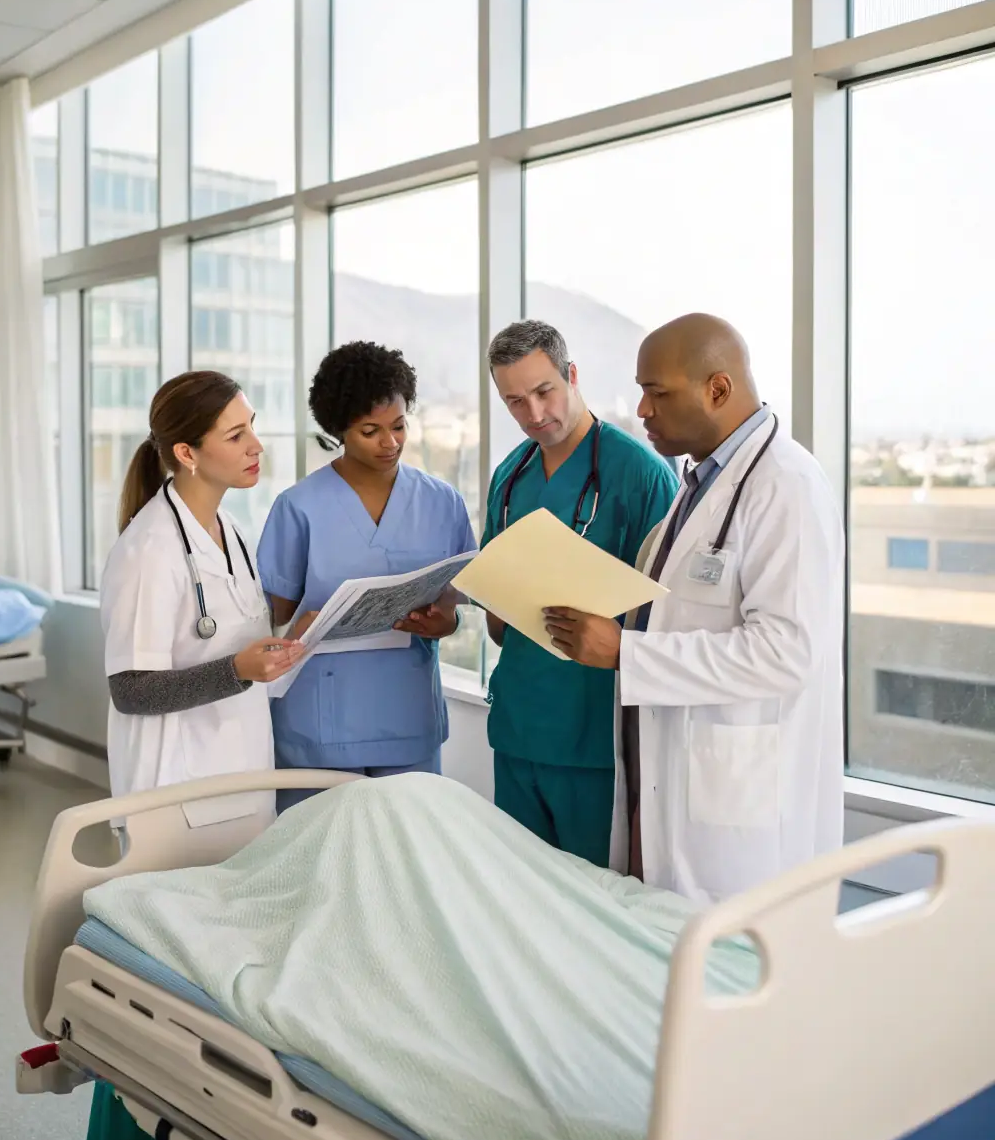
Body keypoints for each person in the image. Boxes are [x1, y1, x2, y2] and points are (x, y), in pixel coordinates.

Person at [543, 314, 845, 905]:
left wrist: (626, 652)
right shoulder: (700, 486)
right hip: (669, 782)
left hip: (737, 809)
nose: (643, 409)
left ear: (718, 389)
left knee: (730, 977)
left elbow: (788, 653)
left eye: (657, 392)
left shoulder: (787, 485)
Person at [86, 370, 304, 1140]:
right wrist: (239, 670)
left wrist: (280, 653)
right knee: (166, 989)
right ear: (185, 450)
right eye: (236, 435)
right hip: (175, 797)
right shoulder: (149, 547)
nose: (256, 446)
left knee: (221, 984)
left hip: (238, 785)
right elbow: (131, 688)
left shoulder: (231, 532)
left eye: (254, 427)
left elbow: (236, 655)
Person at [481, 320, 678, 866]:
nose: (535, 415)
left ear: (571, 375)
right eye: (515, 402)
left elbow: (668, 612)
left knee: (593, 906)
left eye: (544, 392)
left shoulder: (640, 473)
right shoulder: (510, 475)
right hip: (520, 725)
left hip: (596, 737)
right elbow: (494, 600)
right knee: (520, 898)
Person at [257, 341, 476, 810]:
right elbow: (266, 619)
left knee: (408, 859)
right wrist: (298, 629)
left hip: (407, 716)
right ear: (339, 430)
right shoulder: (299, 508)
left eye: (399, 426)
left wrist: (446, 624)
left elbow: (455, 601)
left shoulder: (443, 503)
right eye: (370, 431)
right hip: (319, 722)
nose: (390, 443)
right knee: (319, 863)